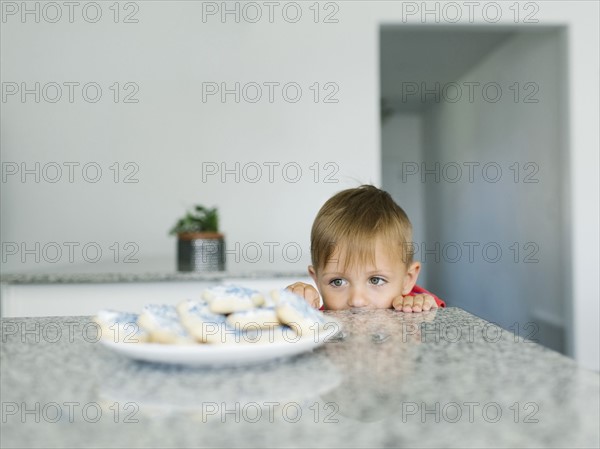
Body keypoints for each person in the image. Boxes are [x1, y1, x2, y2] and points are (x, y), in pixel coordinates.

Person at [287, 185, 445, 312]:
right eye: (337, 282)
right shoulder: (318, 320)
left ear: (407, 279)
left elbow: (440, 322)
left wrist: (422, 309)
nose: (357, 301)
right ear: (317, 280)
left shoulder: (407, 307)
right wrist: (294, 306)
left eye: (376, 280)